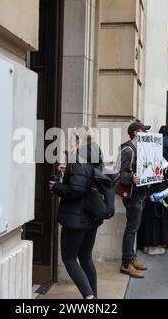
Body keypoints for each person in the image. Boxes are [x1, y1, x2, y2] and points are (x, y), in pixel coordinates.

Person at [50, 127, 103, 299]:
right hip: (92, 216)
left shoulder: (77, 160)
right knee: (86, 257)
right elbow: (85, 182)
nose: (69, 142)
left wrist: (56, 186)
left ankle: (89, 298)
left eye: (72, 138)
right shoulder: (95, 158)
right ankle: (94, 296)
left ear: (79, 141)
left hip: (76, 218)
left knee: (69, 259)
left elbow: (76, 190)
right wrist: (68, 173)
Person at [119, 121, 150, 278]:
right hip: (133, 195)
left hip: (140, 193)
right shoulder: (128, 149)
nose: (146, 133)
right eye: (144, 131)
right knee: (131, 228)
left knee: (134, 228)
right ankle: (126, 264)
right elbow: (122, 174)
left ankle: (131, 258)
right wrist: (132, 177)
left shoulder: (139, 148)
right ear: (136, 133)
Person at [137, 126, 168, 255]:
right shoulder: (138, 150)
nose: (146, 133)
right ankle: (150, 245)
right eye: (143, 131)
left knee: (154, 217)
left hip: (154, 188)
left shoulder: (147, 148)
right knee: (152, 217)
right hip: (151, 190)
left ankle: (151, 243)